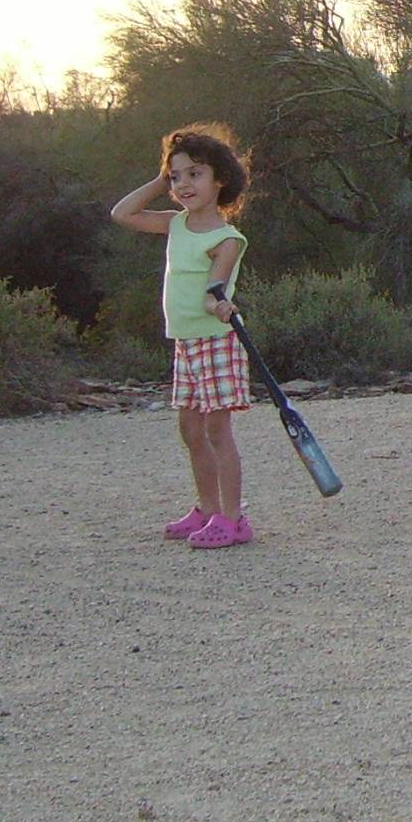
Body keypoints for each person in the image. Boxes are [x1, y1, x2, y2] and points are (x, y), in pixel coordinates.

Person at [110, 123, 255, 550]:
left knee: (216, 430)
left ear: (220, 179)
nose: (184, 184)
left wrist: (219, 305)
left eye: (195, 173)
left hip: (215, 341)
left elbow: (215, 290)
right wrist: (159, 179)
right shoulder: (175, 224)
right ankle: (207, 509)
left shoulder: (227, 238)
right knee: (190, 430)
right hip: (186, 344)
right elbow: (122, 214)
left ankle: (233, 519)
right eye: (177, 177)